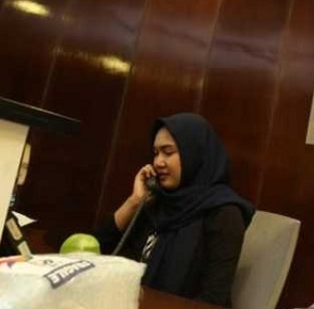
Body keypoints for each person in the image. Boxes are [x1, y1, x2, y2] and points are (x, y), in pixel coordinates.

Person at [95, 113, 255, 308]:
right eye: (156, 153)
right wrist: (133, 202)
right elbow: (94, 253)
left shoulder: (224, 213)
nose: (158, 162)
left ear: (195, 154)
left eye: (168, 152)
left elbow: (213, 299)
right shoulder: (157, 202)